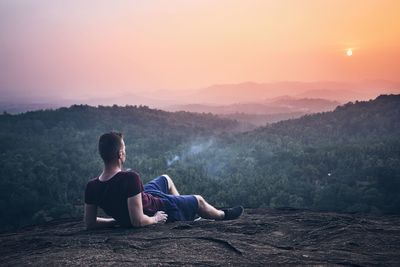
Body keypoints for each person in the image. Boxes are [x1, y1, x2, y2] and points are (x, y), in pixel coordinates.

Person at [84, 132, 243, 229]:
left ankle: (186, 212)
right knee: (199, 200)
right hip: (159, 207)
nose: (125, 152)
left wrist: (116, 220)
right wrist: (155, 219)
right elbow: (137, 221)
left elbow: (90, 224)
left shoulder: (92, 186)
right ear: (120, 154)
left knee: (165, 179)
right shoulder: (130, 178)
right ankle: (223, 215)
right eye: (124, 149)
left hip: (144, 197)